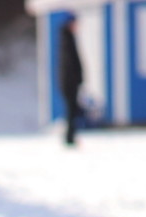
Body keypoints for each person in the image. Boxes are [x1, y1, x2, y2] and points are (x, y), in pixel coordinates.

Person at [58, 14, 84, 147]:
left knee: (72, 109)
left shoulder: (67, 38)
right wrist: (75, 79)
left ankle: (71, 135)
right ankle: (69, 137)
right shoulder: (67, 39)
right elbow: (70, 62)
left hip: (70, 81)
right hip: (69, 82)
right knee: (71, 110)